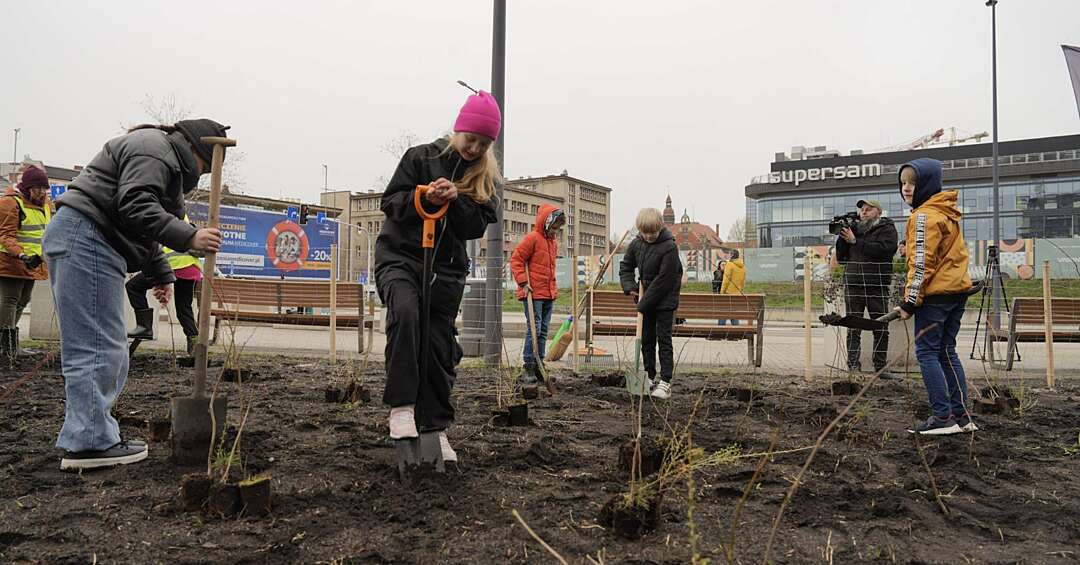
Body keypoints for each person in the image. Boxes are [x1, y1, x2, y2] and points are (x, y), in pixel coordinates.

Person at [44, 119, 227, 470]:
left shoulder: (158, 153)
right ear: (196, 152)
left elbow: (140, 225)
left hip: (88, 238)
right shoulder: (154, 149)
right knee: (99, 346)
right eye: (205, 168)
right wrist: (190, 237)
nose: (201, 176)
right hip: (89, 239)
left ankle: (89, 435)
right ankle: (90, 442)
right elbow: (136, 206)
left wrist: (162, 273)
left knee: (99, 344)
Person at [376, 90, 500, 463]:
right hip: (400, 260)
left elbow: (476, 225)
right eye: (470, 138)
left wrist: (455, 200)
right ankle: (401, 408)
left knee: (438, 344)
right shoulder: (421, 158)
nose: (474, 148)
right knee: (407, 315)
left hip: (444, 271)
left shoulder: (484, 177)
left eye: (483, 143)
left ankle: (434, 426)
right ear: (458, 129)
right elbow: (391, 204)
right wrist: (427, 198)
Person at [895, 158, 975, 435]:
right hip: (956, 290)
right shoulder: (946, 212)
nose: (906, 188)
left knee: (927, 353)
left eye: (913, 183)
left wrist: (909, 301)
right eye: (903, 183)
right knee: (946, 352)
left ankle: (943, 418)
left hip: (936, 295)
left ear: (927, 184)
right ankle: (962, 417)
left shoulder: (923, 216)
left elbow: (922, 264)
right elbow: (947, 255)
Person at [619, 208, 683, 399]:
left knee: (664, 339)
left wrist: (642, 304)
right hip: (645, 300)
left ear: (660, 227)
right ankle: (648, 376)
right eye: (644, 233)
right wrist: (629, 286)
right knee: (647, 339)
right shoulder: (637, 243)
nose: (648, 237)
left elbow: (665, 280)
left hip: (665, 300)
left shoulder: (670, 247)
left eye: (652, 233)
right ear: (640, 230)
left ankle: (665, 382)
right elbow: (626, 266)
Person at [835, 199, 897, 377]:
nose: (863, 212)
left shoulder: (887, 228)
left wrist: (856, 242)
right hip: (853, 283)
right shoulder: (853, 229)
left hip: (876, 284)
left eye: (868, 209)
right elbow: (841, 258)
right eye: (862, 210)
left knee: (880, 326)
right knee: (853, 327)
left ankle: (881, 367)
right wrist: (842, 237)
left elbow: (885, 250)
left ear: (878, 211)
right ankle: (853, 366)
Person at [126, 214, 203, 355]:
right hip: (190, 268)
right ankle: (195, 347)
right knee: (184, 309)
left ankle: (145, 326)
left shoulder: (160, 212)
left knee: (133, 286)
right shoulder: (181, 215)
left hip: (170, 266)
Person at [0, 165, 52, 361]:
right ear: (27, 187)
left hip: (33, 261)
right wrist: (22, 255)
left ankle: (7, 342)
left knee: (23, 300)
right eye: (37, 188)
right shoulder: (10, 203)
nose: (41, 192)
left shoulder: (45, 203)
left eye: (44, 188)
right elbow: (5, 235)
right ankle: (8, 346)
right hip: (10, 261)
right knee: (10, 300)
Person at [510, 204, 564, 383]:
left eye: (558, 228)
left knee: (544, 330)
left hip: (548, 293)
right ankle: (528, 365)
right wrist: (523, 283)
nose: (556, 231)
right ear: (546, 224)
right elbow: (517, 260)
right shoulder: (532, 238)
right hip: (533, 292)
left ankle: (539, 363)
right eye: (554, 227)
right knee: (534, 328)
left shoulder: (552, 243)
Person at [719, 249, 746, 325]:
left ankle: (719, 330)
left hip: (728, 293)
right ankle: (736, 329)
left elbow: (726, 280)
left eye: (729, 254)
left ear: (732, 255)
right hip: (738, 293)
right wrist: (740, 290)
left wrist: (722, 292)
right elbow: (743, 281)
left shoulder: (729, 264)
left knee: (723, 312)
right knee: (734, 312)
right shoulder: (742, 266)